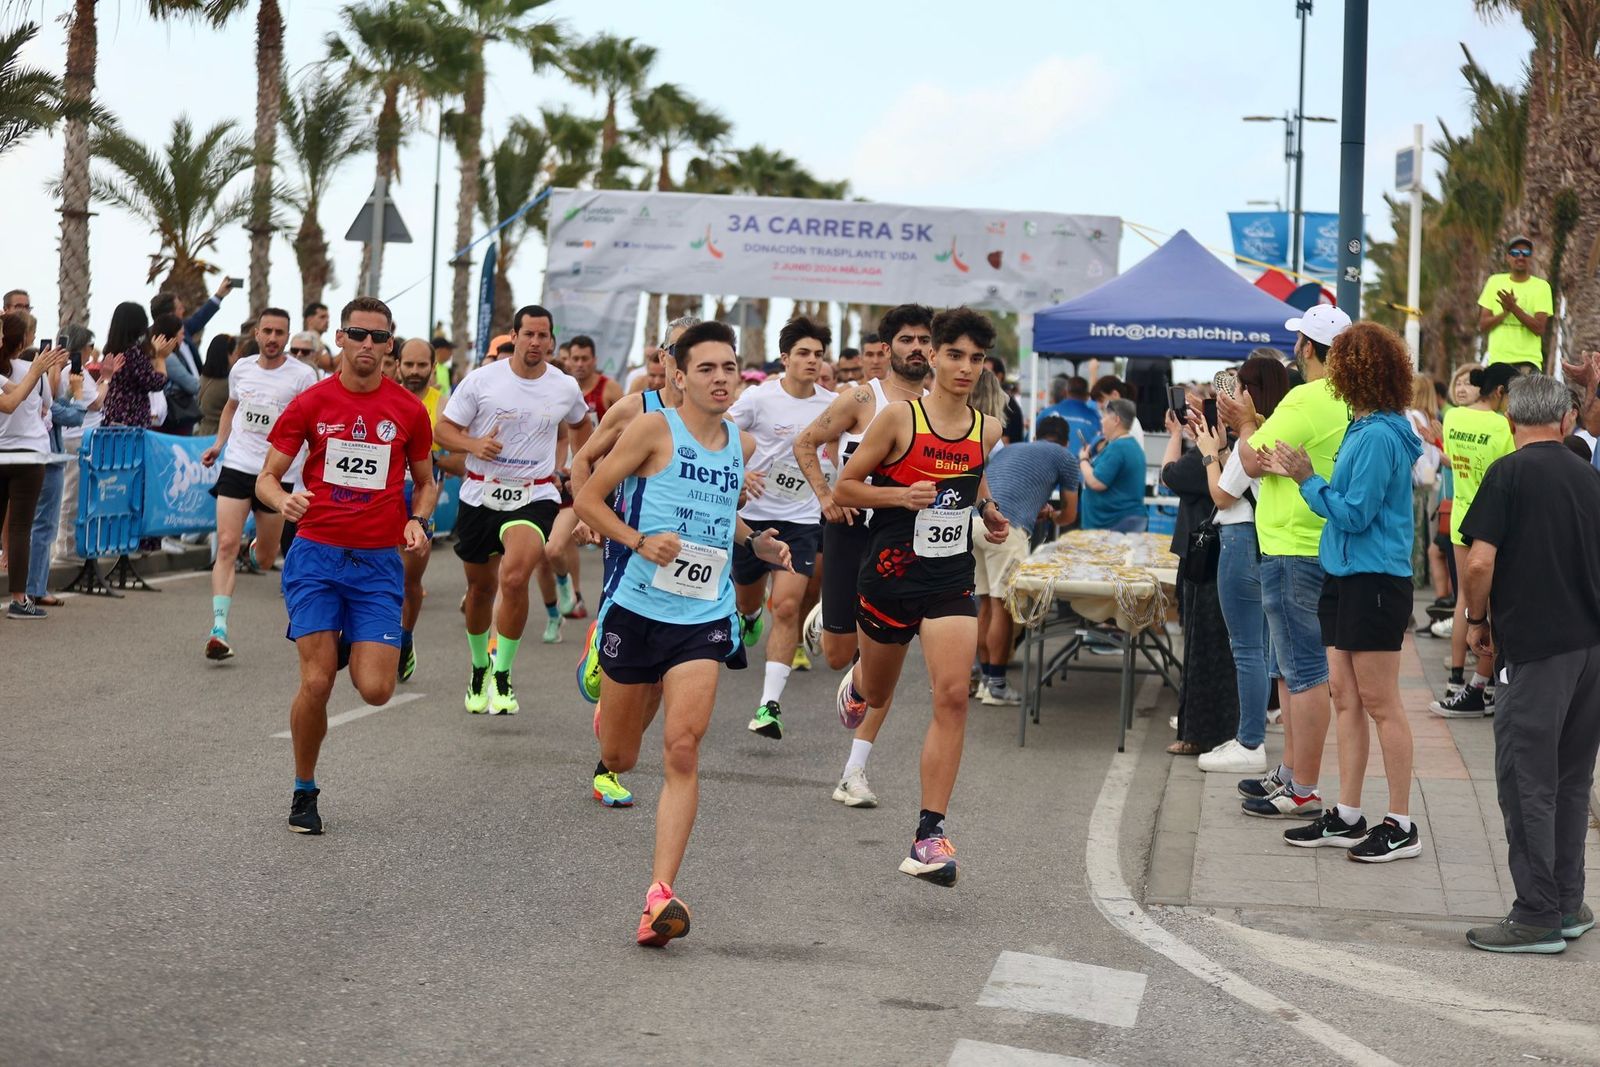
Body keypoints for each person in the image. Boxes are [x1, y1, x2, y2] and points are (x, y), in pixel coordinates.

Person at [575, 319, 792, 947]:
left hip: (702, 615)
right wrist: (638, 541)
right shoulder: (650, 429)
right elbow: (589, 498)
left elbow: (720, 517)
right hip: (637, 609)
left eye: (730, 368)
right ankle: (602, 670)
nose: (721, 379)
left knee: (682, 749)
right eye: (707, 368)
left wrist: (756, 540)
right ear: (679, 374)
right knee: (620, 755)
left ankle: (659, 897)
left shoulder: (740, 447)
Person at [832, 306, 1009, 887]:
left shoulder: (987, 428)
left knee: (953, 696)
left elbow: (973, 476)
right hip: (887, 576)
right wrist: (899, 497)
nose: (964, 367)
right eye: (953, 355)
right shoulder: (898, 421)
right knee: (877, 690)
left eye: (975, 358)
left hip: (948, 579)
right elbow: (847, 486)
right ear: (931, 356)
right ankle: (857, 683)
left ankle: (929, 835)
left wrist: (988, 510)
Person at [256, 296, 436, 835]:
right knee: (316, 683)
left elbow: (426, 483)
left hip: (379, 563)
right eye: (358, 334)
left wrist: (418, 522)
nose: (368, 345)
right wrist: (280, 499)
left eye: (380, 338)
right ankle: (304, 791)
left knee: (377, 690)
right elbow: (267, 478)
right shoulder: (311, 403)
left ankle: (369, 643)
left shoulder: (407, 411)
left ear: (390, 346)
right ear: (340, 337)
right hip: (316, 554)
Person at [1263, 323, 1424, 861]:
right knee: (1346, 698)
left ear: (1355, 370)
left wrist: (1309, 479)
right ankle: (1348, 814)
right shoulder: (1366, 426)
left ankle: (1401, 822)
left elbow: (1355, 514)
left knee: (1381, 703)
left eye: (1340, 363)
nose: (1329, 369)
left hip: (1374, 579)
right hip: (1347, 576)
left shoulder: (1378, 435)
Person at [1456, 373, 1600, 952]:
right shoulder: (1589, 478)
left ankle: (1537, 912)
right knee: (1570, 780)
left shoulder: (1507, 474)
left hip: (1537, 652)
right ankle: (1567, 902)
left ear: (1511, 421)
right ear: (1564, 421)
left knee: (1526, 783)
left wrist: (1474, 621)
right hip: (1589, 650)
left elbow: (1478, 564)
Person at [790, 302, 932, 805]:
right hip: (851, 532)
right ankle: (830, 617)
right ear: (889, 346)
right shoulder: (859, 398)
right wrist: (826, 497)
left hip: (903, 543)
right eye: (907, 339)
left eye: (924, 340)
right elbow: (806, 443)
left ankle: (854, 773)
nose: (916, 348)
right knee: (835, 658)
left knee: (883, 666)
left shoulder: (940, 406)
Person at [1217, 303, 1351, 820]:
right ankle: (1293, 773)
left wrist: (1247, 423)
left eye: (1299, 341)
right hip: (1318, 538)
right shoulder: (1346, 399)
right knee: (1292, 669)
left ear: (1308, 349)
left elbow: (1250, 461)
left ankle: (1305, 786)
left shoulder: (1308, 395)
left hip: (1293, 543)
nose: (1295, 349)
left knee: (1303, 672)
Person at [569, 315, 701, 810]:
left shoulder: (717, 424)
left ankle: (610, 766)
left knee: (662, 672)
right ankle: (602, 640)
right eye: (676, 351)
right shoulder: (633, 409)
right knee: (633, 658)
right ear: (666, 358)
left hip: (689, 557)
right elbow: (583, 461)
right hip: (629, 544)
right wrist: (591, 515)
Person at [434, 305, 593, 715]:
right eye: (530, 335)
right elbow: (443, 429)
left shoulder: (563, 386)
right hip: (481, 493)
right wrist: (473, 446)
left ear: (551, 340)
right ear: (515, 336)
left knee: (516, 575)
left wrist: (580, 464)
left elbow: (580, 425)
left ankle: (503, 675)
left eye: (544, 336)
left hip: (535, 493)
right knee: (480, 590)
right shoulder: (482, 381)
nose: (537, 343)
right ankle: (478, 666)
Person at [728, 315, 836, 739]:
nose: (812, 361)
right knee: (748, 599)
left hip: (801, 520)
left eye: (818, 355)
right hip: (752, 518)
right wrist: (740, 474)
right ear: (785, 358)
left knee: (788, 606)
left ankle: (769, 706)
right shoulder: (758, 399)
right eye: (804, 354)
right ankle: (749, 615)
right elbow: (720, 432)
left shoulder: (832, 403)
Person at [198, 309, 317, 659]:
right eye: (267, 331)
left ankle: (257, 550)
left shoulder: (302, 375)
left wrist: (309, 467)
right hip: (237, 463)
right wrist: (219, 445)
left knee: (265, 559)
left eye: (279, 332)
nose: (272, 338)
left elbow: (312, 423)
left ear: (288, 336)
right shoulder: (242, 368)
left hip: (278, 473)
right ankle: (218, 628)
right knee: (225, 544)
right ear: (257, 333)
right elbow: (231, 408)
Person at [1194, 354, 1291, 774]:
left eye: (1238, 387)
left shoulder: (1253, 438)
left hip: (1240, 540)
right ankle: (1251, 735)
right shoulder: (1283, 429)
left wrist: (1208, 455)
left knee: (1247, 648)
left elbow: (1222, 496)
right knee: (1263, 646)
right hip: (1267, 540)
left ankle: (1249, 742)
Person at [1430, 362, 1517, 717]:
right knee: (1491, 603)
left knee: (1465, 598)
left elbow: (1452, 461)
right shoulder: (1499, 425)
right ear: (1499, 392)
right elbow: (1511, 467)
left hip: (1461, 513)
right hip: (1491, 519)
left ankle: (1455, 678)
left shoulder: (1453, 417)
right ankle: (1484, 685)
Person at [973, 415, 1080, 705]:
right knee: (1002, 607)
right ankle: (996, 685)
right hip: (1006, 528)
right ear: (1066, 441)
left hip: (975, 522)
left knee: (984, 603)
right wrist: (1054, 514)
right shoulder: (1066, 457)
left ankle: (982, 678)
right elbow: (1070, 515)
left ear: (1037, 435)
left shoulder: (1012, 449)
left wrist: (1037, 509)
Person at [1161, 403, 1239, 756]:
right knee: (1220, 648)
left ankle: (1197, 732)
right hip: (1221, 555)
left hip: (1203, 557)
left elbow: (1169, 475)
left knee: (1200, 645)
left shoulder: (1209, 457)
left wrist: (1176, 435)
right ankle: (1211, 729)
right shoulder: (1237, 450)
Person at [395, 337, 465, 681]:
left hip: (420, 501)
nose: (414, 371)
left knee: (410, 582)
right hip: (383, 500)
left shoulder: (443, 406)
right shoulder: (385, 400)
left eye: (422, 365)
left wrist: (431, 459)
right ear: (397, 365)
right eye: (408, 364)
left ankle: (405, 638)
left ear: (432, 368)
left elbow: (463, 460)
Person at [0, 312, 67, 619]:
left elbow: (13, 392)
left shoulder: (5, 372)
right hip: (27, 457)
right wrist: (38, 370)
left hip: (4, 454)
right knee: (20, 529)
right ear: (24, 340)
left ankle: (19, 598)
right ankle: (18, 599)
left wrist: (40, 371)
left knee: (15, 528)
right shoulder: (30, 371)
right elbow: (14, 403)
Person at [151, 280, 233, 435]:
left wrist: (219, 295)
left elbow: (200, 317)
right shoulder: (156, 344)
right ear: (170, 314)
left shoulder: (183, 329)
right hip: (175, 415)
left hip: (192, 407)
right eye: (180, 308)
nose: (184, 311)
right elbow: (189, 384)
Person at [101, 303, 179, 430]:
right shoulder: (133, 352)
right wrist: (160, 358)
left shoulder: (110, 350)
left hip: (112, 414)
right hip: (132, 420)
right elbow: (156, 383)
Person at [1477, 236, 1551, 370]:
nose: (1520, 257)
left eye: (1526, 253)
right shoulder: (1494, 282)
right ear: (1507, 257)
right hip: (1498, 361)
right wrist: (1505, 313)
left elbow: (1539, 328)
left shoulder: (1542, 287)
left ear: (1531, 258)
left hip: (1528, 361)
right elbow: (1482, 325)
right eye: (1515, 253)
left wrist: (1513, 308)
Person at [1079, 399, 1147, 532]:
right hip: (1122, 522)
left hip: (1114, 525)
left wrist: (1083, 460)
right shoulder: (1130, 445)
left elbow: (1097, 482)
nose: (1101, 421)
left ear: (1116, 420)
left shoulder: (1118, 448)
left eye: (1104, 416)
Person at [1404, 372, 1444, 589]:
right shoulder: (1430, 418)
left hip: (1417, 482)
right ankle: (1423, 575)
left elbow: (1415, 453)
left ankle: (1416, 575)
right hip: (1431, 481)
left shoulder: (1411, 417)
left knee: (1416, 533)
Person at [1036, 375, 1100, 455]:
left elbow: (1033, 437)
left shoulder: (1046, 413)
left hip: (1049, 462)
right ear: (1087, 395)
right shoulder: (1096, 417)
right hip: (1082, 464)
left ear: (1065, 392)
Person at [567, 334, 621, 422]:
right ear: (569, 360)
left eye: (584, 359)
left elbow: (625, 423)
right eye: (575, 359)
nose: (580, 364)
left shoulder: (610, 387)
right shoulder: (563, 387)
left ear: (594, 360)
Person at [1089, 375, 1145, 449]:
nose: (1099, 406)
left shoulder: (1129, 424)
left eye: (1101, 400)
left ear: (1115, 395)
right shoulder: (1128, 421)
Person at [197, 335, 236, 435]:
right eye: (234, 353)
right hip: (219, 436)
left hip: (201, 432)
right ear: (227, 354)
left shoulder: (202, 378)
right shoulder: (228, 385)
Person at [985, 355, 1025, 444]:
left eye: (986, 373)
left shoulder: (1005, 403)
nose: (981, 377)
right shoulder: (991, 400)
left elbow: (1004, 442)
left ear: (999, 376)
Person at [302, 303, 333, 372]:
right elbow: (329, 365)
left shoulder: (322, 344)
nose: (327, 321)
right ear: (309, 319)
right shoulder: (305, 341)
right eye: (322, 317)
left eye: (327, 318)